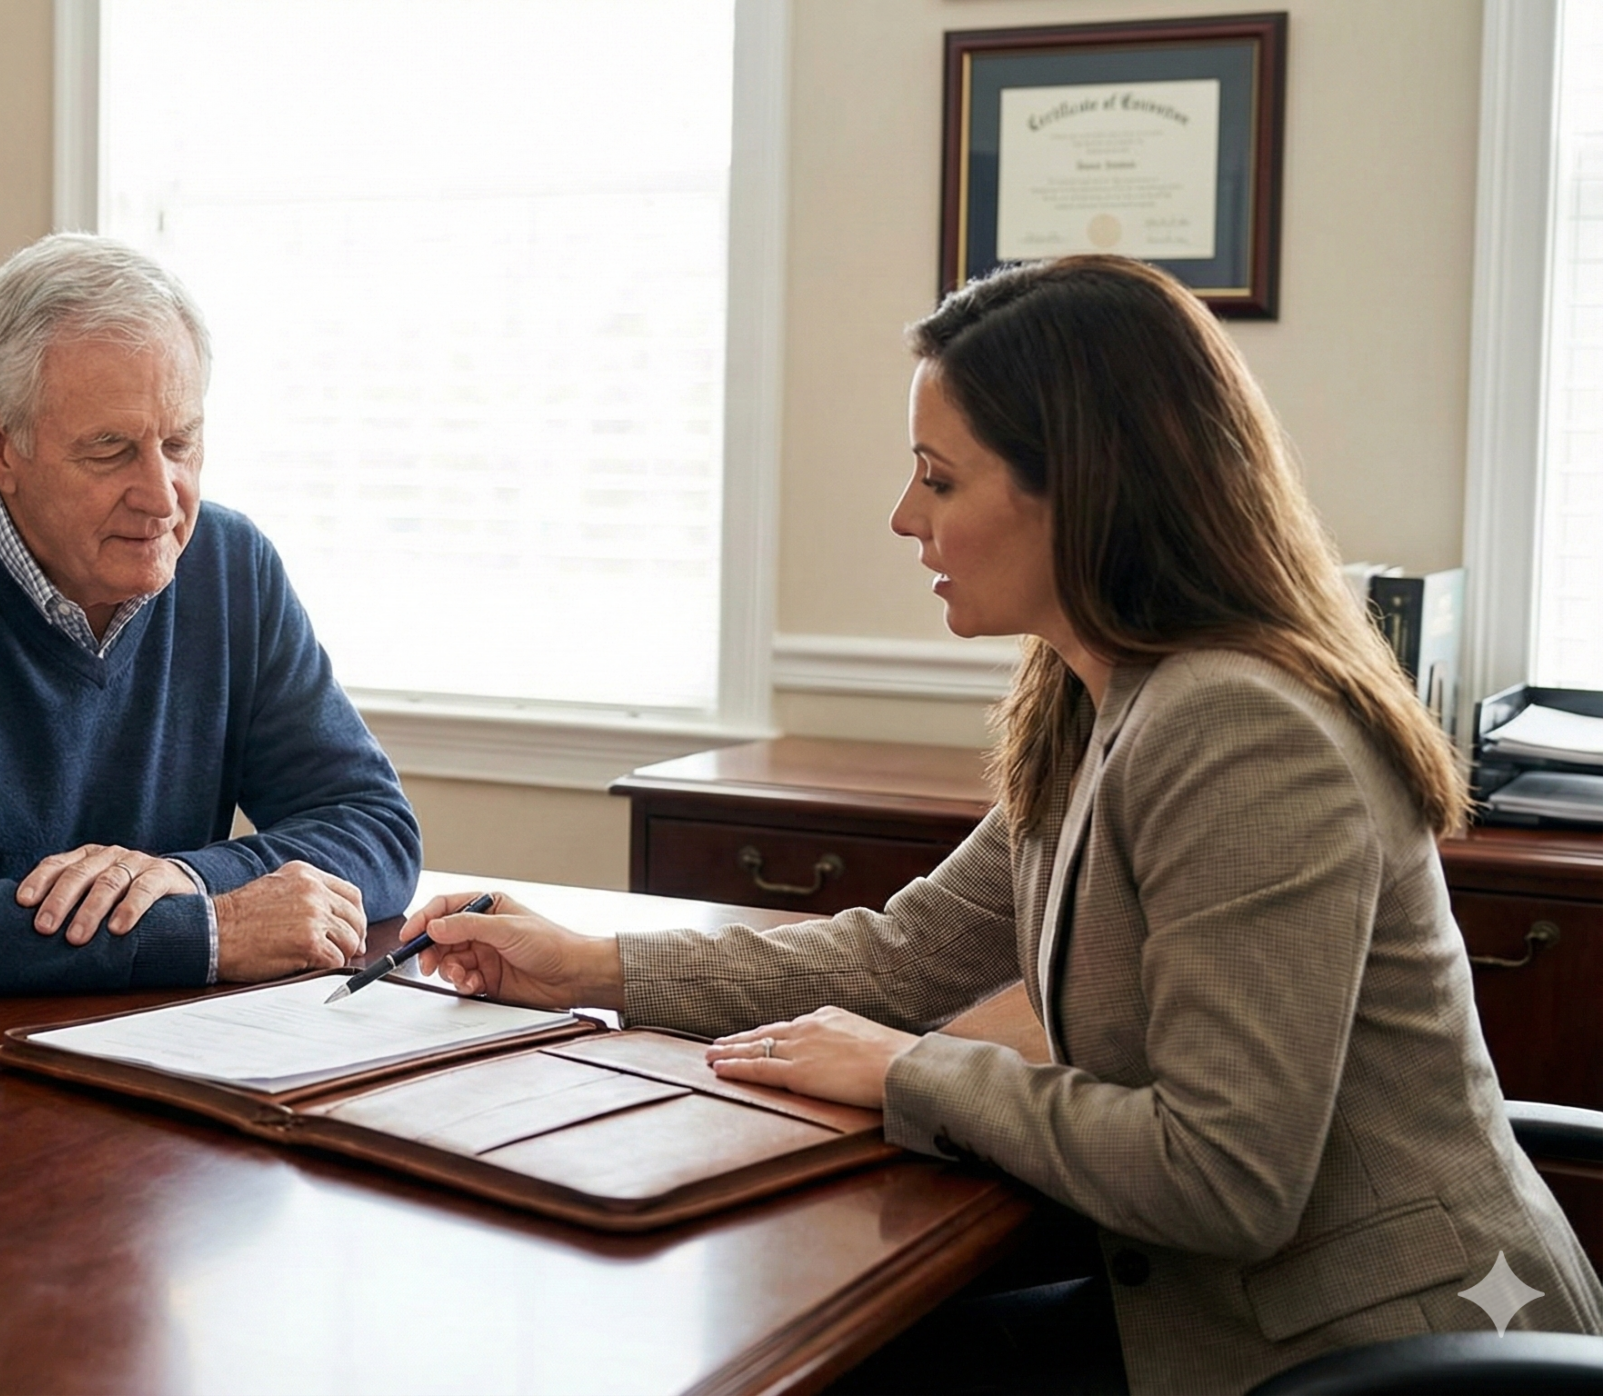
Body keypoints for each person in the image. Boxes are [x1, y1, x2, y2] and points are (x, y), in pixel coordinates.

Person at [400, 256, 1602, 1394]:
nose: (901, 517)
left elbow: (1224, 1177)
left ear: (1080, 489)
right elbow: (903, 955)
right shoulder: (1096, 693)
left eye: (938, 477)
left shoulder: (1239, 727)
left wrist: (908, 1069)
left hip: (1376, 1347)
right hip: (1213, 1299)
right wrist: (587, 965)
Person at [0, 233, 420, 1006]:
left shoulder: (231, 565)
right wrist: (203, 932)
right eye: (111, 450)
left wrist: (185, 879)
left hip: (161, 1043)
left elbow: (374, 825)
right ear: (0, 445)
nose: (162, 495)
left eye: (181, 442)